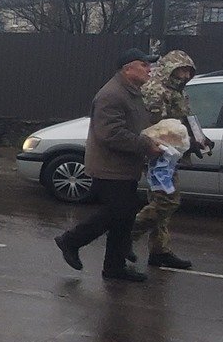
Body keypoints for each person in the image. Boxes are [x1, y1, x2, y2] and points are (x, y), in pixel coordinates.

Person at [55, 50, 156, 284]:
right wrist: (146, 145)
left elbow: (137, 126)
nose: (149, 69)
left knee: (125, 216)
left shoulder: (131, 92)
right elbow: (110, 134)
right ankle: (71, 240)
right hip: (109, 166)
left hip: (125, 166)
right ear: (127, 69)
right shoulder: (112, 95)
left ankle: (114, 267)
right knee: (117, 212)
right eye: (143, 65)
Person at [131, 50, 205, 271]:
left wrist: (198, 139)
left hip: (169, 155)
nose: (185, 76)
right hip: (157, 155)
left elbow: (185, 119)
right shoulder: (155, 91)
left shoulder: (177, 91)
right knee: (167, 201)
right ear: (169, 70)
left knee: (161, 203)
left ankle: (159, 250)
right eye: (181, 71)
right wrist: (184, 142)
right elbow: (156, 128)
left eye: (188, 71)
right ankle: (126, 235)